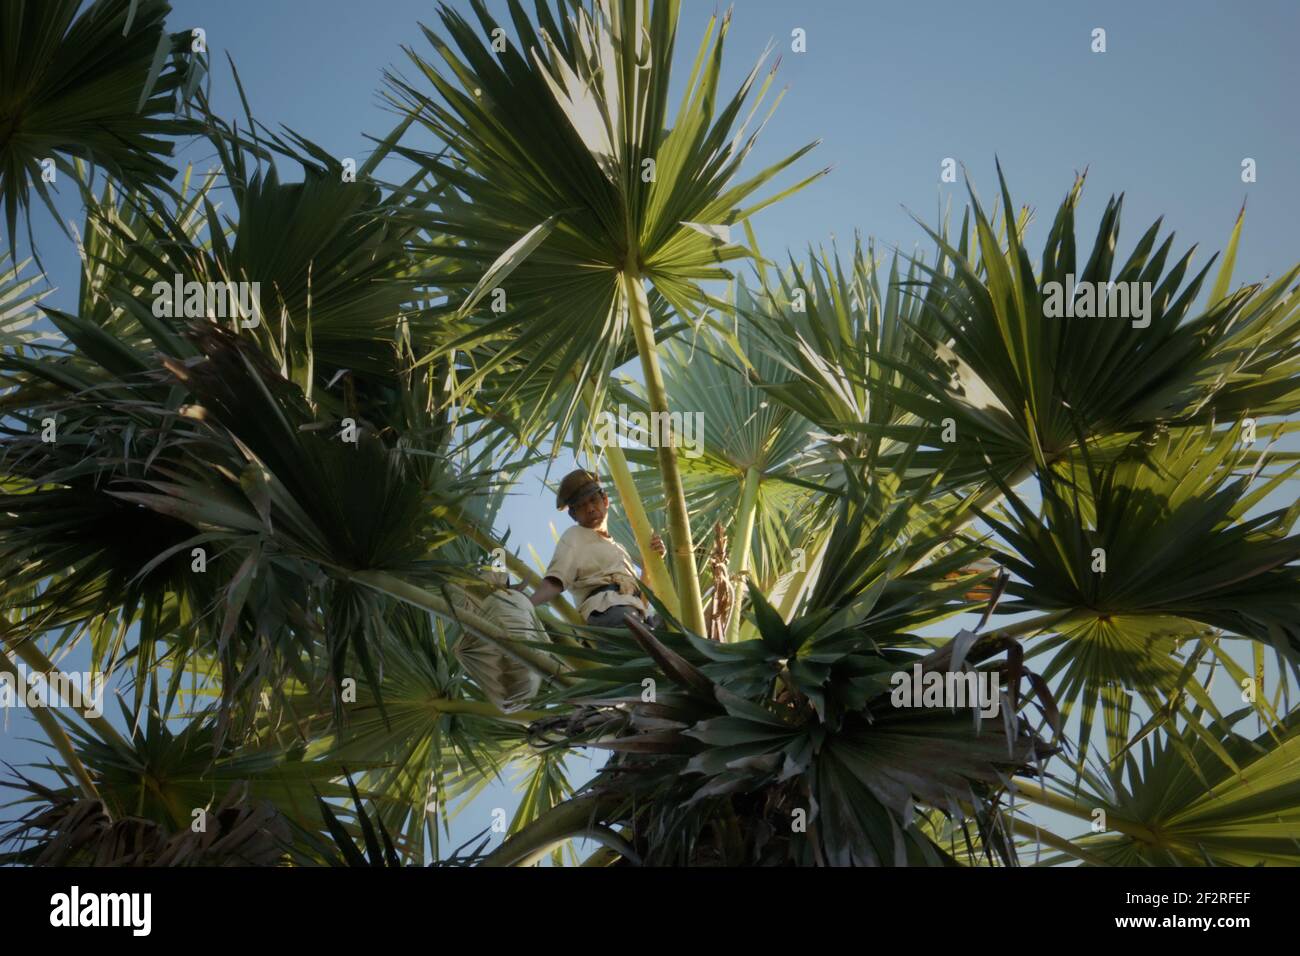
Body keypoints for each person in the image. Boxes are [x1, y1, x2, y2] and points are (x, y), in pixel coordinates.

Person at [528, 468, 664, 630]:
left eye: (593, 500)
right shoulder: (575, 535)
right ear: (574, 515)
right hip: (607, 613)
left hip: (639, 615)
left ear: (605, 500)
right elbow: (555, 580)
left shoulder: (618, 548)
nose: (590, 508)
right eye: (581, 506)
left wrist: (653, 560)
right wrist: (527, 603)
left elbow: (640, 599)